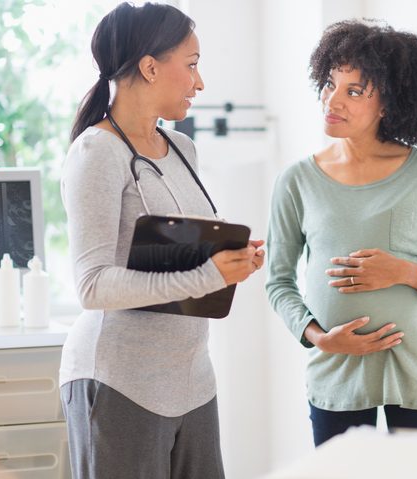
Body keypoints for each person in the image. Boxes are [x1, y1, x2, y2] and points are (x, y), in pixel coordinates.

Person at [60, 3, 264, 478]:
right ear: (150, 68)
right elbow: (92, 286)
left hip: (192, 380)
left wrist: (231, 259)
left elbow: (177, 253)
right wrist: (205, 275)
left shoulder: (182, 149)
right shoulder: (96, 152)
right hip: (119, 382)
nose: (200, 82)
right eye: (191, 64)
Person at [265, 19, 417, 447]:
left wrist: (404, 272)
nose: (332, 99)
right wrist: (318, 336)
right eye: (329, 83)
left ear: (388, 103)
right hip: (336, 379)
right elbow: (278, 281)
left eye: (353, 90)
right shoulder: (297, 181)